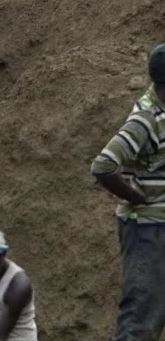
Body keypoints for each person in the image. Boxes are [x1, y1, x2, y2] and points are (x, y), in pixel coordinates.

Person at [91, 43, 165, 341]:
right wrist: (136, 196)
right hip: (148, 232)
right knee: (140, 322)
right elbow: (104, 166)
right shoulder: (144, 120)